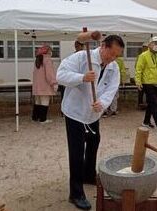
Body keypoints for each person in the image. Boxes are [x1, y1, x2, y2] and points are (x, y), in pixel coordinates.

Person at [57, 34, 124, 210]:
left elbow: (111, 89)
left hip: (93, 113)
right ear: (103, 46)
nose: (113, 59)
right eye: (112, 54)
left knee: (94, 142)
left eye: (117, 56)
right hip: (75, 112)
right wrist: (82, 77)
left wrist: (101, 104)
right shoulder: (81, 57)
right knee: (77, 151)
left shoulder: (113, 67)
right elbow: (61, 75)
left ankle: (88, 174)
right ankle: (76, 193)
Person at [135, 36, 157, 132]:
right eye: (155, 43)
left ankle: (146, 122)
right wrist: (138, 82)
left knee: (151, 104)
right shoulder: (143, 55)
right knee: (154, 104)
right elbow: (138, 69)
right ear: (149, 44)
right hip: (147, 83)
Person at [31, 44, 57, 123]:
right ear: (48, 51)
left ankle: (35, 117)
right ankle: (43, 119)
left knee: (37, 101)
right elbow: (49, 74)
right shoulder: (47, 60)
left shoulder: (38, 59)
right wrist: (54, 83)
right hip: (45, 85)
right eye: (50, 50)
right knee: (45, 101)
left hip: (37, 85)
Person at [58, 40, 85, 116]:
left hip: (80, 79)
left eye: (77, 45)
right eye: (76, 45)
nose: (77, 47)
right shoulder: (74, 56)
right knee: (72, 96)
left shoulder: (84, 55)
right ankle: (68, 112)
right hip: (76, 79)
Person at [135, 42, 148, 109]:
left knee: (147, 92)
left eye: (146, 47)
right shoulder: (140, 56)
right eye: (144, 47)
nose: (145, 48)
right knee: (141, 92)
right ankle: (140, 105)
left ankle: (147, 105)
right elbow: (136, 67)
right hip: (141, 78)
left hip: (148, 79)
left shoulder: (150, 56)